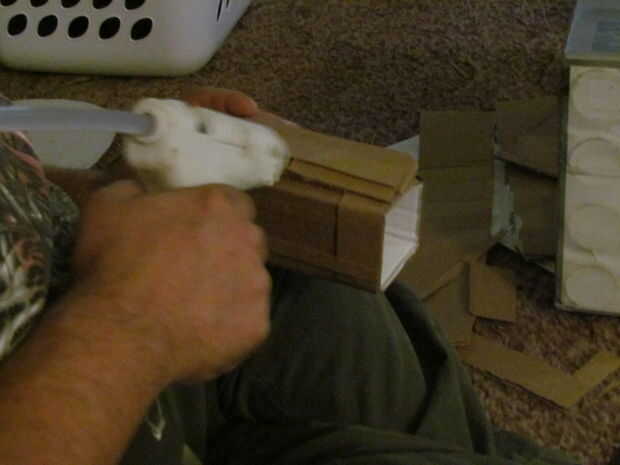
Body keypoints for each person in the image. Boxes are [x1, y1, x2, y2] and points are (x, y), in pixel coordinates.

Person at [0, 88, 580, 465]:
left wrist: (116, 200)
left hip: (90, 327)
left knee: (330, 306)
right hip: (84, 411)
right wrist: (131, 324)